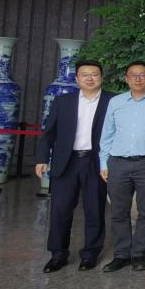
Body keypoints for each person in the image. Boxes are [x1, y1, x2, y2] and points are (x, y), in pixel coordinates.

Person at [35, 60, 114, 272]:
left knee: (94, 209)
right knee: (60, 210)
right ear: (77, 78)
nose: (90, 78)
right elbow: (48, 132)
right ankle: (58, 255)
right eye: (85, 75)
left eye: (94, 74)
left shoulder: (113, 101)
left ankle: (90, 254)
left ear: (101, 77)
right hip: (66, 162)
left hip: (96, 162)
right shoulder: (63, 101)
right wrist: (42, 158)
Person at [98, 61, 145, 272]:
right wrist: (103, 162)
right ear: (126, 78)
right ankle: (121, 255)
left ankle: (139, 254)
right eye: (133, 75)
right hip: (118, 163)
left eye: (142, 74)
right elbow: (107, 134)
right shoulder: (115, 102)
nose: (138, 78)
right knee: (118, 212)